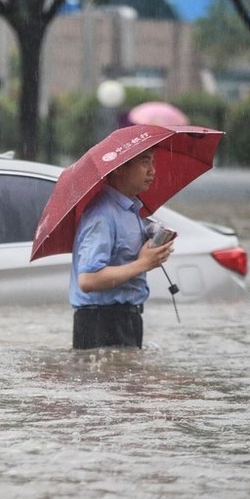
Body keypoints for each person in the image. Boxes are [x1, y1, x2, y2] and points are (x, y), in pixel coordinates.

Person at [70, 150, 174, 350]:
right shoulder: (101, 215)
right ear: (119, 168)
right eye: (144, 162)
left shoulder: (131, 210)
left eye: (153, 162)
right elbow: (88, 280)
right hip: (101, 321)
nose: (152, 171)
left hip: (126, 317)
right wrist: (143, 264)